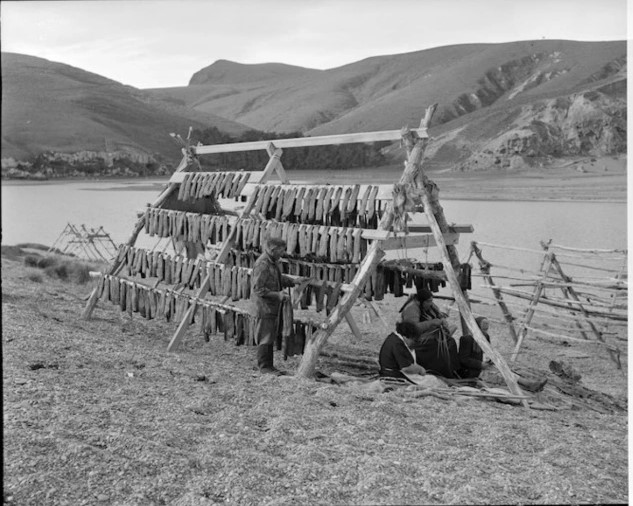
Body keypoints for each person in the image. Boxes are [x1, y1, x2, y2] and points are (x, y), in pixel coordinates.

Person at [251, 236, 297, 374]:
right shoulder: (262, 265)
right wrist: (278, 295)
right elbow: (258, 289)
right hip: (263, 307)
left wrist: (294, 281)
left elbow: (278, 278)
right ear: (273, 249)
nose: (282, 253)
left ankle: (269, 366)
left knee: (269, 335)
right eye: (281, 251)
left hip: (271, 307)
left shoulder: (272, 262)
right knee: (265, 336)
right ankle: (264, 367)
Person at [399, 286, 459, 378]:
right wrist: (432, 323)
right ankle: (439, 372)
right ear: (420, 301)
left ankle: (452, 370)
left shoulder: (429, 305)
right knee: (438, 346)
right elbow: (413, 328)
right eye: (428, 301)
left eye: (431, 301)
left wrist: (442, 319)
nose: (430, 303)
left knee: (450, 342)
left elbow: (438, 314)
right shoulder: (411, 308)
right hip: (415, 341)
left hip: (429, 335)